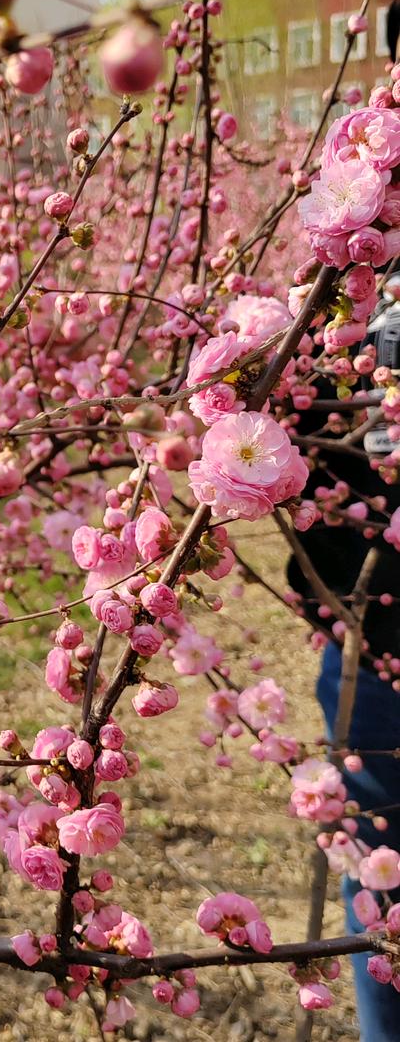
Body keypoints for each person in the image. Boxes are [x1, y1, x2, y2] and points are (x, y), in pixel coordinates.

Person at [287, 297, 400, 1041]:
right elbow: (304, 461)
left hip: (370, 633)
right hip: (374, 645)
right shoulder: (349, 295)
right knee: (381, 871)